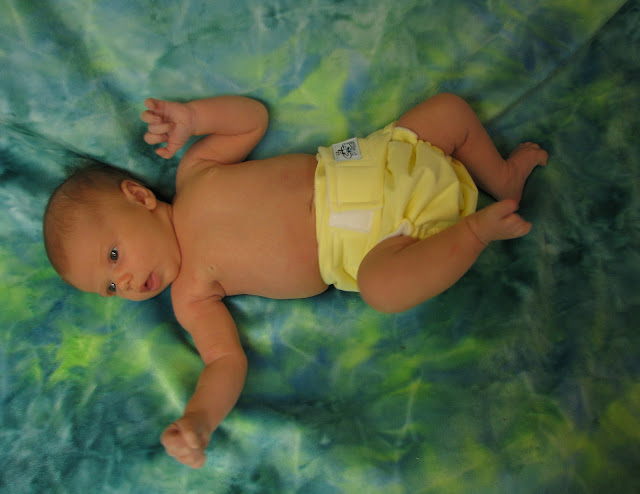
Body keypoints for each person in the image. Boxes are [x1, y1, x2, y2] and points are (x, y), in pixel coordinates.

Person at [42, 93, 548, 468]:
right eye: (111, 288)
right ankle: (473, 234)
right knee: (383, 290)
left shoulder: (195, 170)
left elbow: (252, 118)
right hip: (381, 244)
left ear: (138, 196)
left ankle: (503, 178)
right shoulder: (190, 295)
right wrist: (199, 418)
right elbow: (224, 362)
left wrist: (194, 118)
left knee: (448, 112)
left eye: (114, 257)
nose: (127, 282)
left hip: (376, 161)